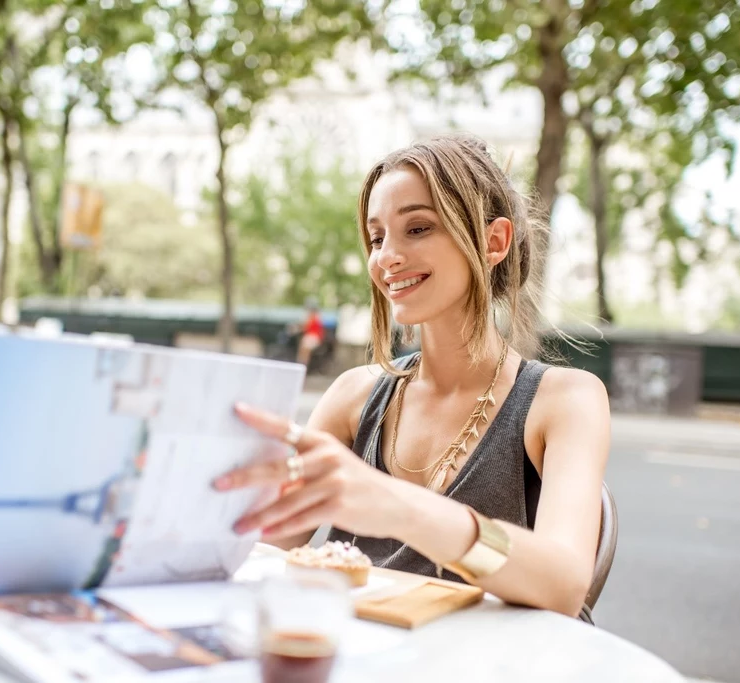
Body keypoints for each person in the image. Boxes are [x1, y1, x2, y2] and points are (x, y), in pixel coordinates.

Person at [214, 134, 610, 620]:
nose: (386, 257)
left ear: (494, 242)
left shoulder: (565, 399)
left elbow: (564, 584)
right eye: (377, 237)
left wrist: (399, 507)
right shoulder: (352, 395)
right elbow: (253, 545)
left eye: (418, 228)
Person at [296, 298, 325, 366]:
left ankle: (303, 364)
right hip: (311, 337)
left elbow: (306, 326)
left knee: (305, 349)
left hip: (313, 337)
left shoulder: (314, 317)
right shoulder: (313, 316)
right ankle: (302, 363)